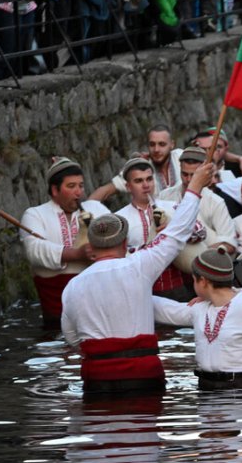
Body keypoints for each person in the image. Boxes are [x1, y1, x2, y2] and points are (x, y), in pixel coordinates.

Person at [61, 161, 214, 394]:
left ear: (91, 246)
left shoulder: (72, 286)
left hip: (97, 380)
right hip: (143, 376)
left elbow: (72, 339)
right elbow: (177, 232)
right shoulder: (139, 265)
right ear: (124, 243)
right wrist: (194, 188)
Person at [152, 248, 242, 390]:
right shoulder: (200, 307)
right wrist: (138, 291)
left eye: (194, 279)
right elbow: (168, 310)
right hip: (206, 387)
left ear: (203, 281)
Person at [21, 157, 110, 327]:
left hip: (97, 318)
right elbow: (35, 251)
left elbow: (118, 239)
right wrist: (77, 254)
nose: (79, 193)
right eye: (71, 186)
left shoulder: (96, 210)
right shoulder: (34, 215)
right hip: (55, 320)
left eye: (81, 185)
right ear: (55, 190)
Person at [115, 157, 202, 302]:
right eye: (138, 181)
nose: (146, 185)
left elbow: (201, 231)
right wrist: (154, 246)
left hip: (181, 285)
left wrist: (174, 231)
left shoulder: (173, 206)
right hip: (142, 291)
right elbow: (120, 256)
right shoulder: (119, 218)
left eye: (149, 179)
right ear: (128, 186)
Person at [158, 147, 236, 252]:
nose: (189, 179)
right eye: (184, 174)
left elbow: (230, 243)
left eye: (194, 175)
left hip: (204, 261)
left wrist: (200, 254)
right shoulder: (165, 196)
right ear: (180, 169)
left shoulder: (216, 202)